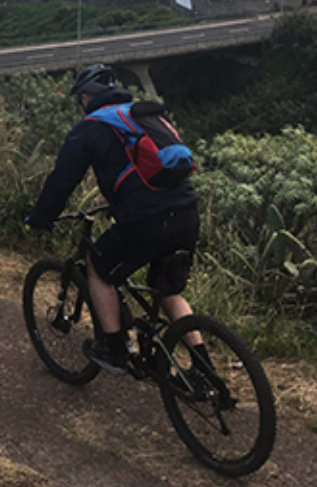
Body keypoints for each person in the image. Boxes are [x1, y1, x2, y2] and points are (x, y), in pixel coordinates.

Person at [26, 64, 204, 375]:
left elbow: (62, 181)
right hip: (187, 211)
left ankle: (114, 348)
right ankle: (203, 368)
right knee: (169, 291)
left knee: (98, 267)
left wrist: (42, 218)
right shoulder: (143, 116)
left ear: (85, 98)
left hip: (147, 219)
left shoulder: (90, 127)